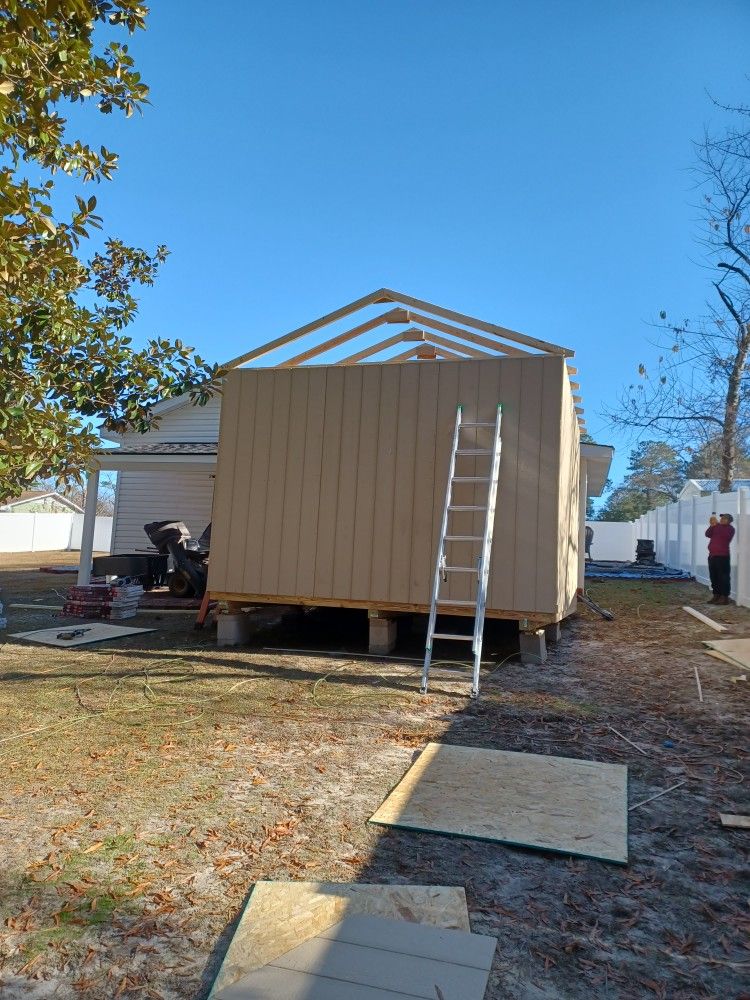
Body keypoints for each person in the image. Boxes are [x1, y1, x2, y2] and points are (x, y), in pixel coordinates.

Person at [705, 513, 735, 605]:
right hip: (712, 555)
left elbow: (724, 536)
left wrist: (716, 525)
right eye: (721, 518)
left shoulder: (730, 529)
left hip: (722, 556)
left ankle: (724, 597)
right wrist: (712, 526)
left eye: (724, 518)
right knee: (713, 576)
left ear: (729, 520)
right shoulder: (716, 527)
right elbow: (707, 534)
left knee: (723, 577)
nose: (721, 519)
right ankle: (716, 595)